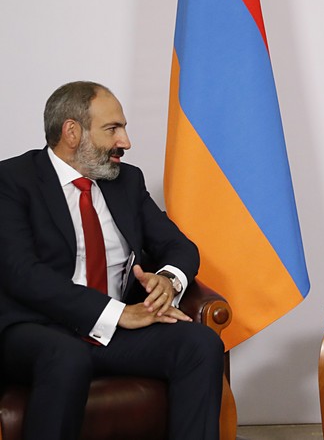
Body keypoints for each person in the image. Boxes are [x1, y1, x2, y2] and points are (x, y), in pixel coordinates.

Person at [0, 81, 223, 439]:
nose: (126, 142)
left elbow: (180, 247)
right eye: (112, 129)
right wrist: (117, 313)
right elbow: (22, 273)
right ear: (72, 132)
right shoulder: (12, 180)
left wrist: (167, 280)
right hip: (38, 329)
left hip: (114, 333)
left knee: (199, 344)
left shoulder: (126, 181)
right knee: (66, 356)